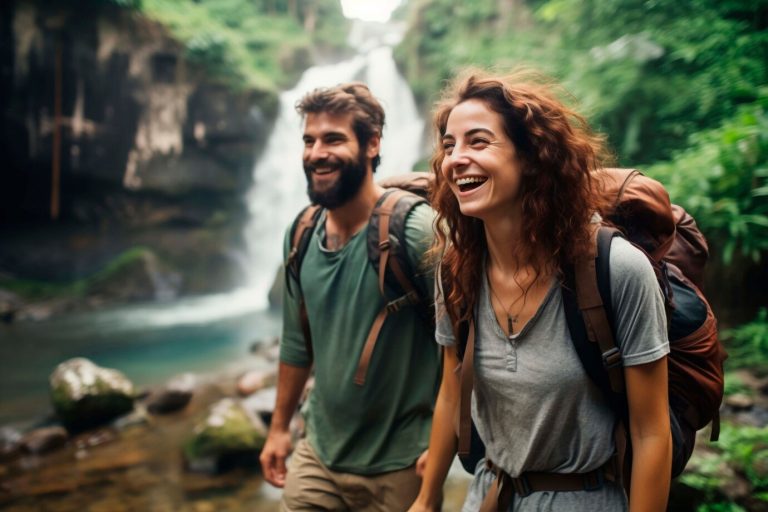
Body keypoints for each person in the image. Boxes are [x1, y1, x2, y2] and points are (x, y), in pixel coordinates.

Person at [409, 70, 672, 511]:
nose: (455, 159)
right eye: (449, 145)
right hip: (489, 496)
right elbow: (452, 391)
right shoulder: (457, 270)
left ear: (532, 157)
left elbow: (651, 434)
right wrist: (426, 496)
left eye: (478, 141)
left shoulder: (616, 270)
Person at [259, 82, 441, 511]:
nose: (316, 153)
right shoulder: (301, 232)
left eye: (333, 139)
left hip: (401, 464)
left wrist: (450, 443)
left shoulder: (416, 232)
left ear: (372, 143)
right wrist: (279, 427)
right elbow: (295, 343)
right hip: (317, 454)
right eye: (309, 140)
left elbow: (473, 340)